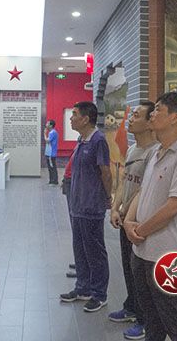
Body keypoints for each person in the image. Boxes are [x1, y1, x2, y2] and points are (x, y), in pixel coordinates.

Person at [124, 92, 177, 341]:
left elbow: (173, 206)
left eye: (158, 110)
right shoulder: (157, 151)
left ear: (175, 118)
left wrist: (139, 230)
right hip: (142, 251)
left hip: (167, 256)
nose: (152, 114)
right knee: (152, 321)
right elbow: (142, 190)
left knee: (176, 321)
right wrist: (128, 222)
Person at [108, 101, 158, 340]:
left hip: (138, 222)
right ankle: (131, 306)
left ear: (150, 122)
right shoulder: (132, 150)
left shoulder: (154, 153)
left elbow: (144, 189)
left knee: (140, 273)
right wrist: (115, 208)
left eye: (136, 115)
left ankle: (144, 319)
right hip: (124, 218)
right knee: (128, 268)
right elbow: (124, 182)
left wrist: (126, 212)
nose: (130, 118)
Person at [59, 101, 112, 313]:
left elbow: (105, 173)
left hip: (91, 206)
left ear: (86, 119)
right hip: (78, 205)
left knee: (95, 252)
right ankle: (83, 288)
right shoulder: (82, 140)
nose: (71, 118)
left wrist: (107, 197)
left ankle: (99, 294)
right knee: (80, 249)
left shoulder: (98, 140)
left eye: (74, 114)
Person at [44, 119, 59, 185]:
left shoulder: (52, 132)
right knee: (50, 168)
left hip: (51, 153)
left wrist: (45, 134)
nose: (46, 124)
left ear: (51, 125)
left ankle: (54, 181)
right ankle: (51, 181)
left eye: (48, 123)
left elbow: (47, 140)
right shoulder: (52, 132)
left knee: (52, 167)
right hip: (49, 153)